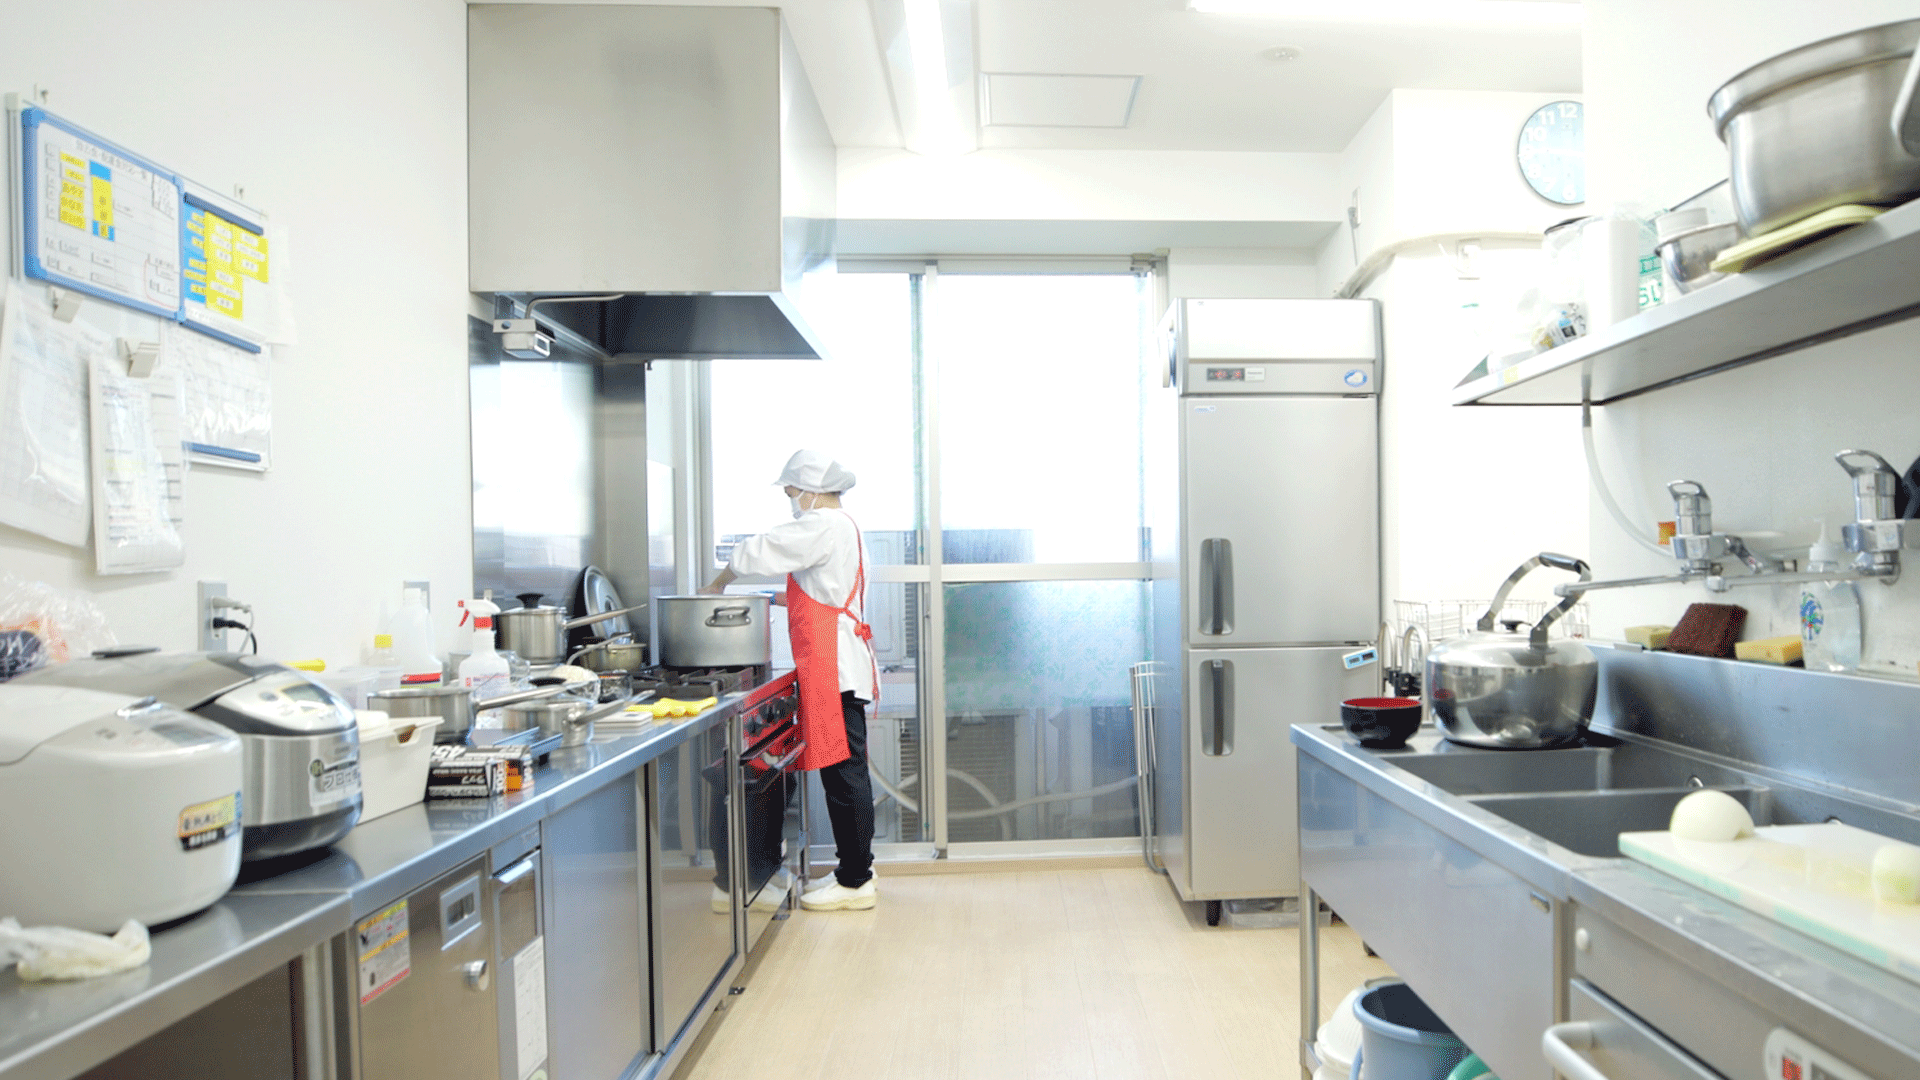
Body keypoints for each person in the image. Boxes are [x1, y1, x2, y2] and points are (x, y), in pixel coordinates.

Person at [702, 449, 879, 911]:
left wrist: (719, 583)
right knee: (846, 771)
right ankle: (856, 870)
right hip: (836, 663)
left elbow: (761, 549)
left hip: (833, 667)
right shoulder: (843, 527)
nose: (790, 499)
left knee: (844, 776)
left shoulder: (822, 524)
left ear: (811, 490)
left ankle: (856, 881)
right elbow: (820, 591)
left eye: (791, 491)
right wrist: (770, 599)